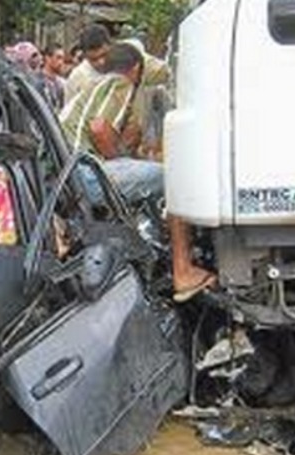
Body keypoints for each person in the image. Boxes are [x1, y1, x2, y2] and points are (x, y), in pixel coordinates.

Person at [62, 44, 216, 301]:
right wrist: (121, 157)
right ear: (136, 69)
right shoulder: (120, 84)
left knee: (147, 172)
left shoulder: (91, 86)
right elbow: (99, 128)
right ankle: (183, 270)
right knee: (174, 178)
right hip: (82, 173)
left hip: (65, 170)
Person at [64, 24, 112, 106]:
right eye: (94, 59)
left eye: (104, 55)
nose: (101, 62)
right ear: (85, 55)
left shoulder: (122, 68)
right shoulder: (77, 77)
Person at [36, 43, 65, 111]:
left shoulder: (62, 83)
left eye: (62, 58)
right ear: (48, 58)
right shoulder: (37, 81)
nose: (61, 62)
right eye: (58, 58)